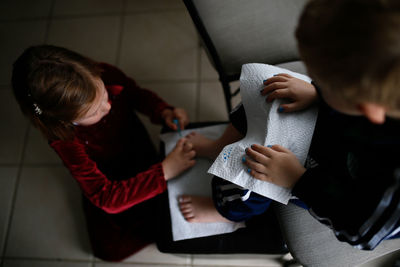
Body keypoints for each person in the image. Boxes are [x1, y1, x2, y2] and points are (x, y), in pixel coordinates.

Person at [179, 0, 400, 250]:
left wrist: (296, 179)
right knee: (269, 94)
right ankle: (219, 146)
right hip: (349, 134)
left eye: (322, 81)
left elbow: (360, 230)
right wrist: (318, 93)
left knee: (252, 164)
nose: (311, 77)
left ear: (365, 107)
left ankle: (228, 212)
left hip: (338, 188)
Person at [11, 45, 196, 261]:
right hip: (109, 173)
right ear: (65, 119)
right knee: (111, 250)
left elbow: (135, 94)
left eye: (105, 94)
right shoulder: (65, 141)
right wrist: (164, 172)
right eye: (94, 111)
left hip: (138, 148)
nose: (107, 106)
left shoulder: (105, 72)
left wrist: (162, 110)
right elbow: (104, 196)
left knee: (169, 214)